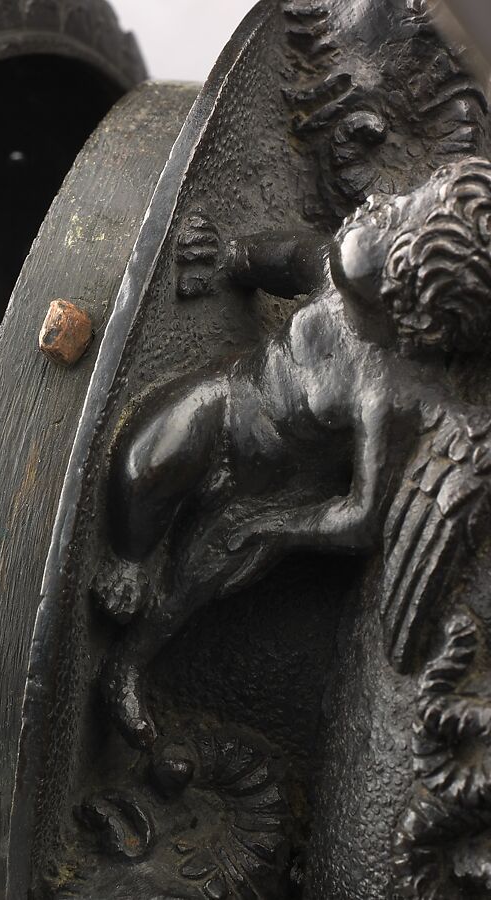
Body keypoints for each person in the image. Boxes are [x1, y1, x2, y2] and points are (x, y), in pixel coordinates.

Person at [100, 157, 491, 749]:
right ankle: (128, 557)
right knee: (150, 460)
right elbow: (270, 259)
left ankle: (127, 667)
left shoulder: (390, 395)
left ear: (410, 295)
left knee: (196, 576)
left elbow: (362, 517)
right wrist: (227, 255)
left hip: (267, 489)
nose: (375, 204)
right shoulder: (333, 271)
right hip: (228, 402)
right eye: (395, 203)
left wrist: (282, 528)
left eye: (392, 220)